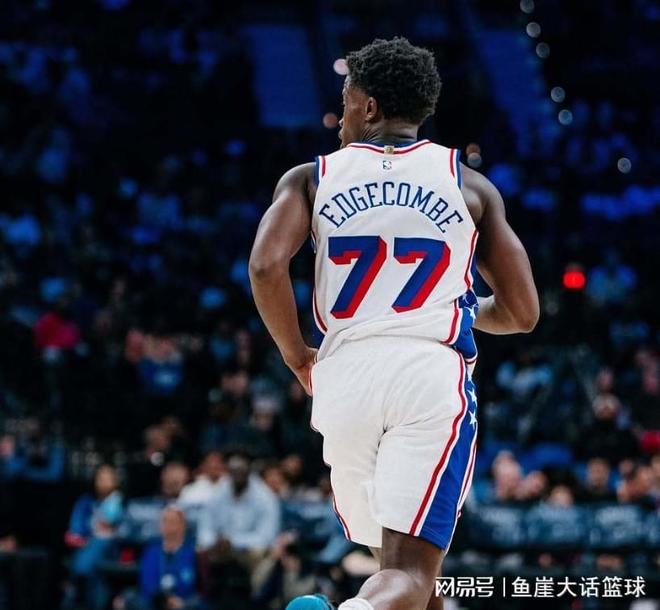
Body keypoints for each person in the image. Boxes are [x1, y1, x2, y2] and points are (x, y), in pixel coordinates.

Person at [249, 37, 538, 610]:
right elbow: (522, 313)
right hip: (425, 374)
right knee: (408, 570)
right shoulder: (469, 185)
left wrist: (296, 354)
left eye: (345, 103)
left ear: (370, 106)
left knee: (404, 568)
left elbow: (264, 266)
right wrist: (459, 308)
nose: (340, 119)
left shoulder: (311, 178)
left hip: (345, 375)